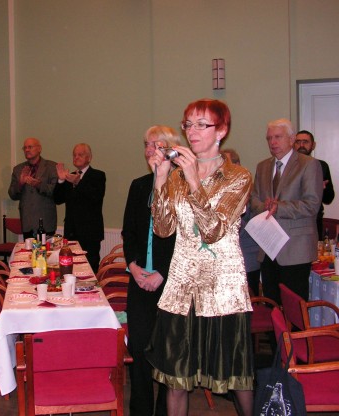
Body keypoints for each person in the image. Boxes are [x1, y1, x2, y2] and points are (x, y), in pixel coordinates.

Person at [145, 99, 254, 416]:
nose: (192, 131)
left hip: (223, 287)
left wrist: (194, 180)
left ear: (221, 131)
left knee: (237, 377)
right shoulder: (176, 176)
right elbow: (163, 229)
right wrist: (161, 178)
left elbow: (213, 231)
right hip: (182, 286)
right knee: (175, 380)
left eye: (201, 124)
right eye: (188, 124)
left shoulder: (237, 176)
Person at [122, 126, 178, 416]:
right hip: (139, 279)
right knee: (139, 348)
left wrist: (162, 273)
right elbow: (129, 232)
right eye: (147, 144)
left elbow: (184, 241)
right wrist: (133, 267)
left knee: (168, 353)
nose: (149, 150)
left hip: (171, 282)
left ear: (170, 149)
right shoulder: (139, 185)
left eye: (156, 144)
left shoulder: (183, 185)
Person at [250, 119, 322, 304]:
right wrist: (264, 206)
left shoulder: (308, 164)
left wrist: (279, 207)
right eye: (269, 138)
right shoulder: (262, 166)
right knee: (271, 305)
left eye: (277, 137)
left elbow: (312, 204)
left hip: (296, 248)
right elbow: (254, 200)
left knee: (294, 308)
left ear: (291, 139)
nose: (272, 142)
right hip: (268, 247)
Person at [54, 143, 106, 271]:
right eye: (74, 155)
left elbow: (95, 197)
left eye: (80, 155)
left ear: (89, 158)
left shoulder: (98, 175)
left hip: (90, 232)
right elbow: (57, 199)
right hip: (71, 231)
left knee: (90, 268)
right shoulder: (70, 176)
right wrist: (61, 180)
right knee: (71, 268)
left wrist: (78, 182)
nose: (76, 157)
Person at [222, 148, 261, 296]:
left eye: (227, 165)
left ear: (237, 165)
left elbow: (251, 220)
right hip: (225, 258)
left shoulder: (249, 188)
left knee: (249, 298)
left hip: (247, 256)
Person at [8, 137, 58, 239]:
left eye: (30, 147)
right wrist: (20, 183)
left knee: (46, 249)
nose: (27, 150)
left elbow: (55, 192)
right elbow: (12, 194)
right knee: (28, 250)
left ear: (39, 149)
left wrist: (38, 185)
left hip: (46, 221)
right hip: (27, 223)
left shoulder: (52, 167)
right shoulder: (18, 169)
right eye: (25, 148)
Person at [293, 130, 335, 238]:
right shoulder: (287, 166)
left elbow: (329, 199)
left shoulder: (321, 166)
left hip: (314, 220)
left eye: (305, 142)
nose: (301, 145)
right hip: (292, 219)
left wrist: (321, 189)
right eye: (298, 142)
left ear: (313, 145)